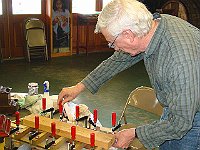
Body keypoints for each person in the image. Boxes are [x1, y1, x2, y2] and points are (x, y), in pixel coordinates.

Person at [57, 0, 200, 149]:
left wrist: (134, 133)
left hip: (193, 119)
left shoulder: (178, 60)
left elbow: (180, 123)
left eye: (112, 43)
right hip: (177, 105)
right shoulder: (153, 28)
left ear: (128, 34)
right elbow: (119, 60)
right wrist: (79, 87)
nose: (114, 49)